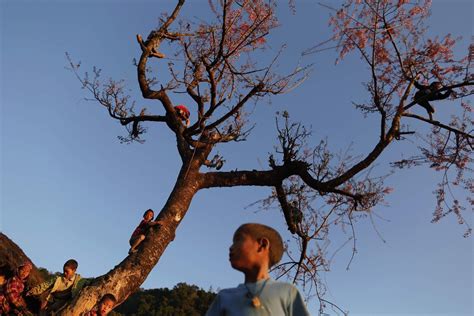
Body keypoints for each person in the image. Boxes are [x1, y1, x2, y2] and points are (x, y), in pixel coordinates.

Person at [206, 223, 310, 316]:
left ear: (262, 244)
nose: (231, 247)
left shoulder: (287, 292)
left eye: (238, 240)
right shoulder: (224, 297)